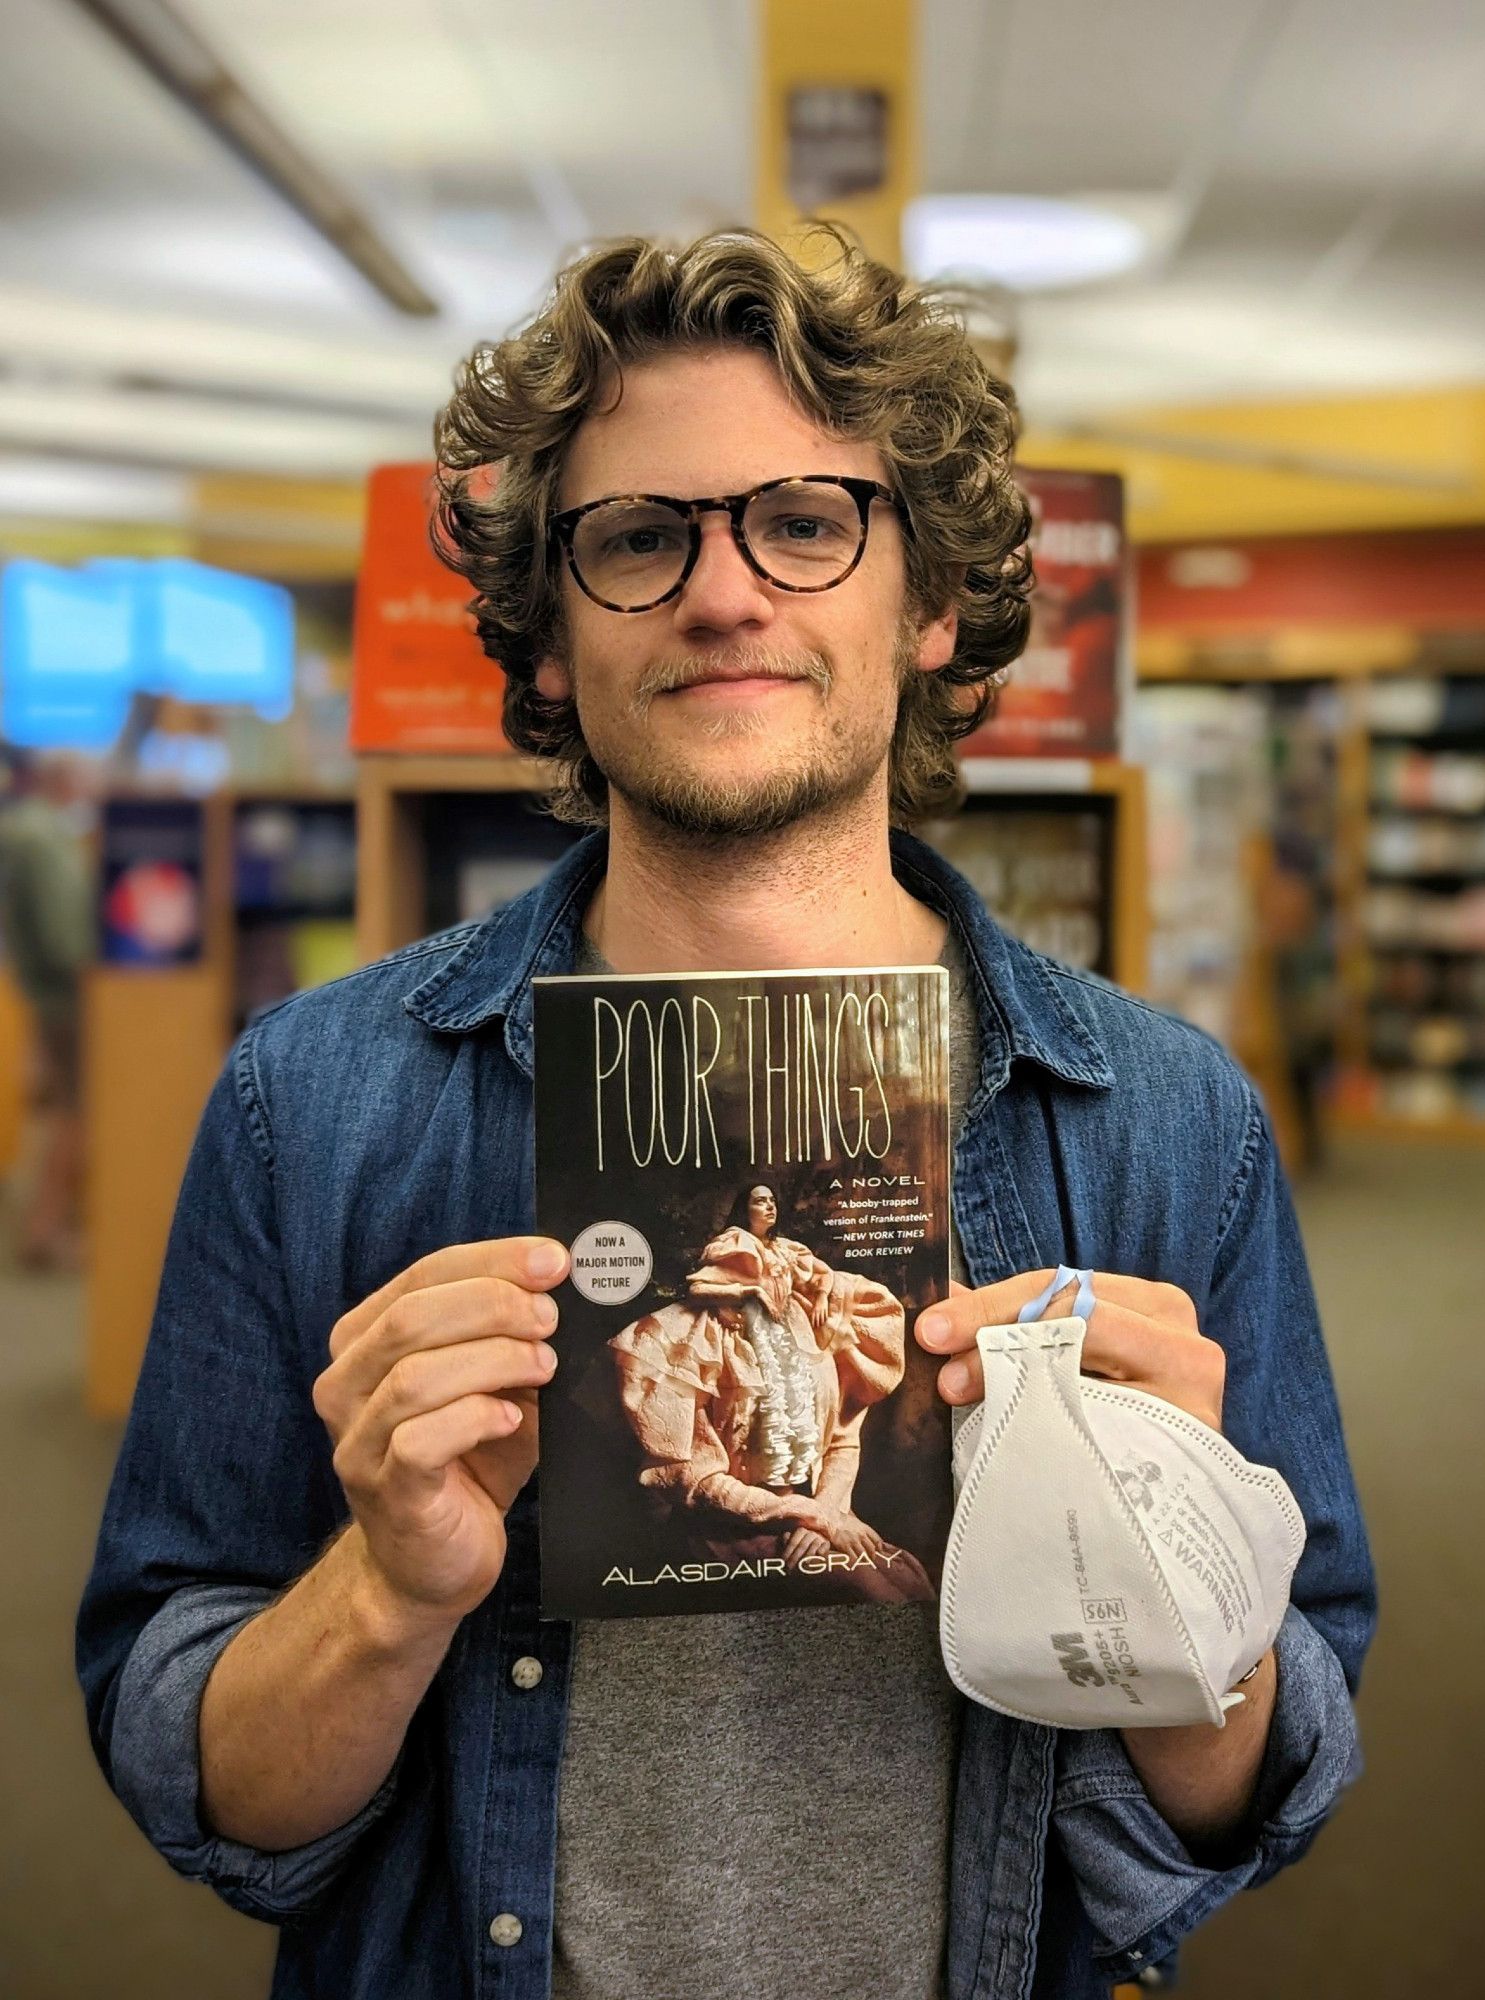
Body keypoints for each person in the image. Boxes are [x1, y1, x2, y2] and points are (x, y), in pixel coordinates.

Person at [77, 225, 1375, 2000]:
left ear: (927, 604)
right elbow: (186, 1763)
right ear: (545, 638)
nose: (723, 591)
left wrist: (1185, 1579)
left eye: (807, 519)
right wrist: (384, 1593)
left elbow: (1266, 1783)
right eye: (637, 536)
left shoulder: (1162, 1121)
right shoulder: (316, 1106)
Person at [608, 1181, 933, 1600]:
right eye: (758, 1200)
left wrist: (830, 1511)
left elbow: (842, 1442)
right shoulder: (692, 1344)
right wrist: (813, 1517)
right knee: (870, 1593)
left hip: (816, 1514)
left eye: (772, 1200)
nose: (768, 1207)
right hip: (734, 1530)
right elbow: (699, 1482)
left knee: (908, 1583)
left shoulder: (815, 1329)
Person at [0, 747, 95, 1269]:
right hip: (70, 997)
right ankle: (46, 1229)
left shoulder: (25, 831)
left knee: (63, 1108)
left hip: (45, 993)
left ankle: (43, 1224)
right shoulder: (43, 838)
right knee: (75, 1113)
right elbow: (66, 936)